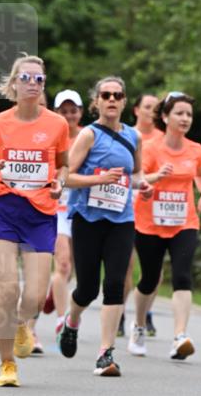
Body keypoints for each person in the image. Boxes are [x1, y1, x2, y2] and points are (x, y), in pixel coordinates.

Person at [0, 55, 69, 387]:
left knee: (37, 295)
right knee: (8, 290)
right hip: (4, 210)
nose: (32, 84)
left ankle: (24, 323)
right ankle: (7, 363)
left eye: (38, 79)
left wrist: (60, 182)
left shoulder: (57, 124)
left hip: (40, 214)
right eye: (25, 78)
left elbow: (64, 166)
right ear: (13, 83)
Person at [57, 76, 150, 376]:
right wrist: (98, 179)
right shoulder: (88, 135)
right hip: (87, 218)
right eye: (105, 95)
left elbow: (134, 174)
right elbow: (66, 177)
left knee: (114, 284)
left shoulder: (134, 137)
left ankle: (105, 352)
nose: (111, 100)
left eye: (117, 95)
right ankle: (71, 322)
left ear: (124, 101)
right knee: (86, 289)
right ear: (96, 101)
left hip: (121, 219)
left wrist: (143, 184)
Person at [131, 91, 201, 360]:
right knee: (150, 278)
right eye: (179, 113)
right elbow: (138, 179)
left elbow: (200, 173)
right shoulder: (150, 147)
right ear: (165, 117)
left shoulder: (195, 149)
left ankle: (180, 336)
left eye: (188, 114)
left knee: (182, 275)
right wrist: (155, 177)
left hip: (184, 222)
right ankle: (139, 326)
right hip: (149, 222)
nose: (185, 118)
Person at [42, 89, 84, 340]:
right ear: (56, 112)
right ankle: (61, 318)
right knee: (64, 264)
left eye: (73, 110)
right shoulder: (49, 135)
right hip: (56, 208)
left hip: (79, 209)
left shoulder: (88, 136)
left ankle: (52, 294)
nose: (69, 115)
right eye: (64, 111)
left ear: (80, 111)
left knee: (77, 270)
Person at [118, 91, 161, 337]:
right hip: (126, 204)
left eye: (156, 108)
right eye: (147, 106)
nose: (151, 111)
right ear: (136, 110)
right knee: (126, 264)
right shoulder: (126, 135)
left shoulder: (164, 138)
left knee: (154, 268)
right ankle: (120, 311)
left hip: (153, 207)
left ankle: (145, 313)